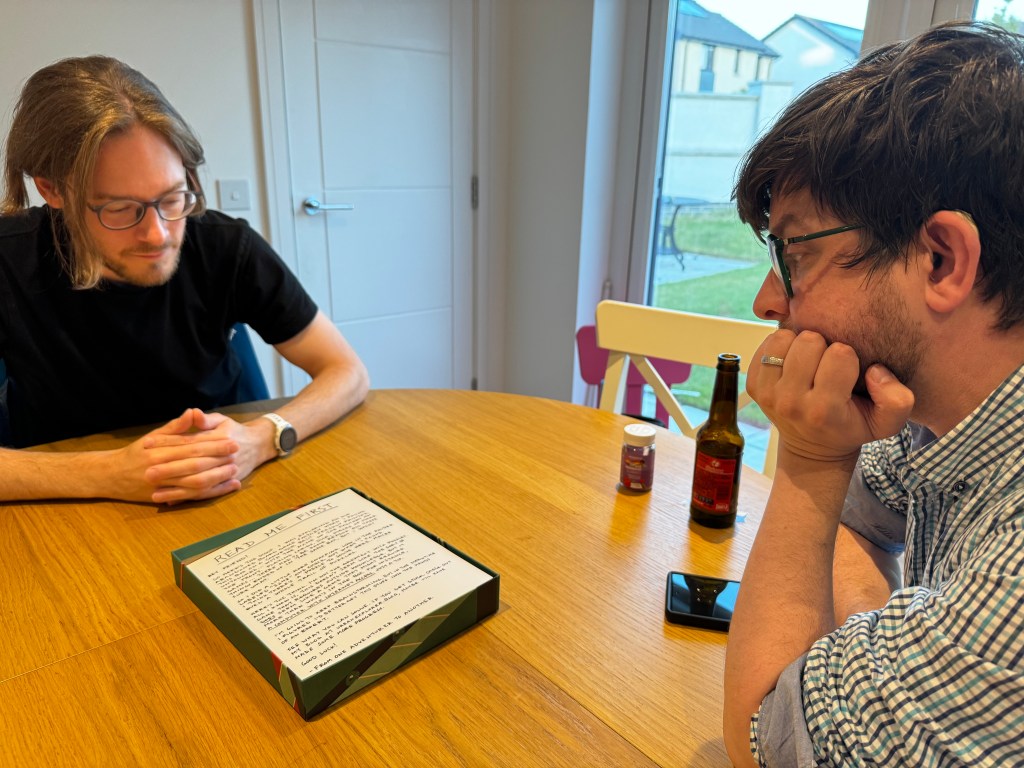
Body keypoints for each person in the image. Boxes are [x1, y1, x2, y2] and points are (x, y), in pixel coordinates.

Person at [722, 21, 1024, 767]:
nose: (768, 301)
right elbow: (863, 520)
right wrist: (882, 655)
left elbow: (768, 743)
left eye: (797, 253)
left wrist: (809, 463)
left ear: (941, 260)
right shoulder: (938, 412)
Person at [0, 55, 369, 505]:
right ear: (51, 189)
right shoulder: (8, 260)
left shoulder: (224, 245)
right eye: (119, 208)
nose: (157, 234)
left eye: (173, 198)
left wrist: (263, 437)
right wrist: (107, 473)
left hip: (224, 490)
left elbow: (347, 372)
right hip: (68, 506)